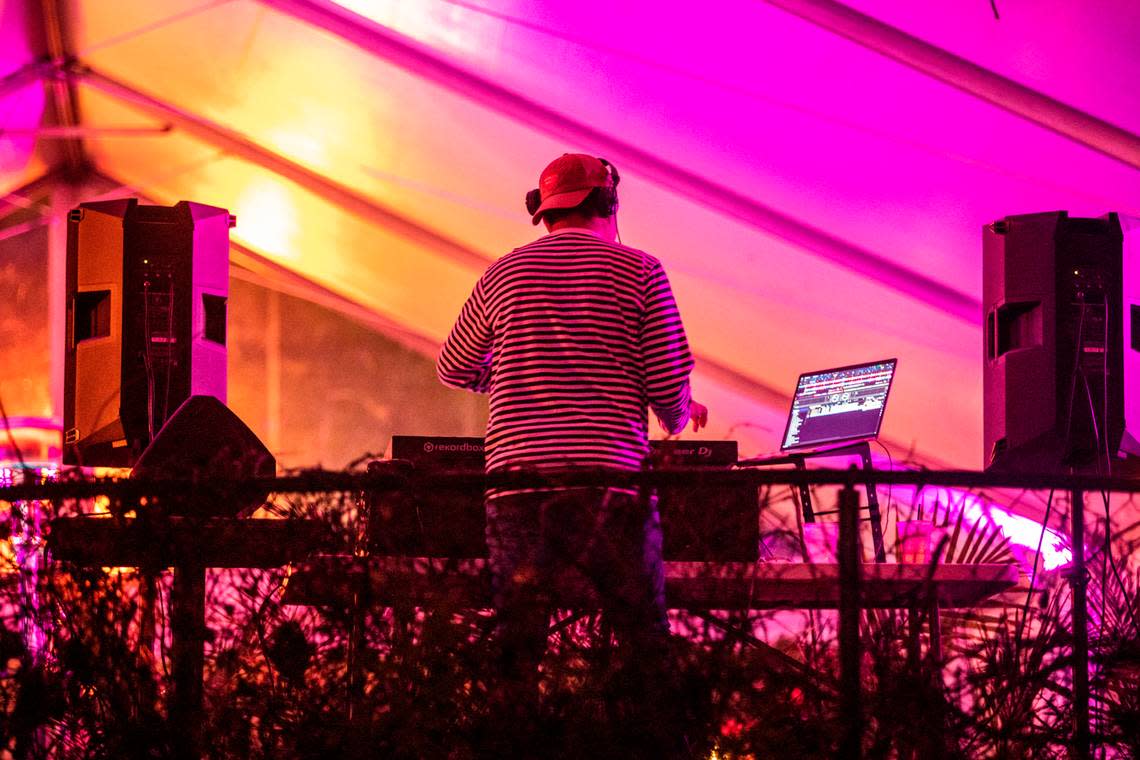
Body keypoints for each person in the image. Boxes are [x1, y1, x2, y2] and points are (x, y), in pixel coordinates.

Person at [436, 153, 707, 747]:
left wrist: (510, 373)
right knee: (642, 647)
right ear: (609, 203)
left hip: (518, 488)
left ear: (545, 210)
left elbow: (454, 365)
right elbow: (665, 384)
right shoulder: (640, 271)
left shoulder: (503, 273)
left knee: (518, 651)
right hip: (607, 485)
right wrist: (681, 413)